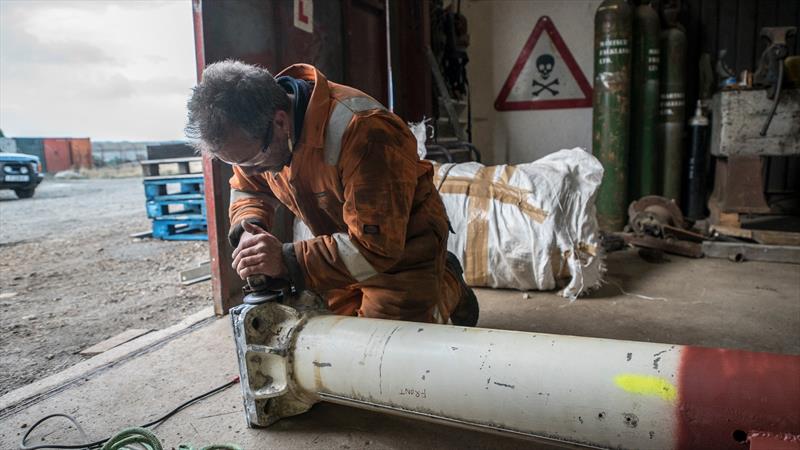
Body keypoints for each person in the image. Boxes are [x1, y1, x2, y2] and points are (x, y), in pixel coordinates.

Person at [186, 60, 477, 325]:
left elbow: (376, 249)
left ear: (279, 122)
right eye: (236, 163)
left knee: (385, 355)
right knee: (336, 340)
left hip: (399, 251)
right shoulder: (257, 136)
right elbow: (247, 187)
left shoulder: (365, 132)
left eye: (252, 161)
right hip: (338, 247)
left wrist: (286, 260)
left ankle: (446, 284)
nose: (248, 171)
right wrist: (251, 228)